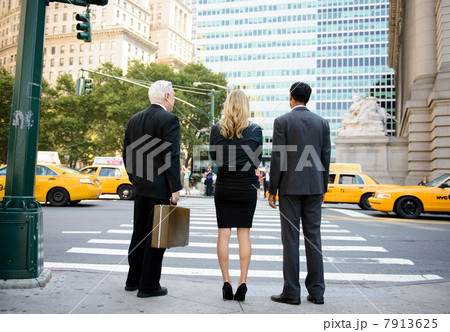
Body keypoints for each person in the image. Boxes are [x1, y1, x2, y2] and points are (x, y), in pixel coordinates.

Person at [268, 82, 331, 305]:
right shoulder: (322, 123)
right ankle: (317, 293)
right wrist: (323, 187)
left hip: (290, 188)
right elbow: (325, 158)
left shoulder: (282, 122)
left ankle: (291, 292)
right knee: (314, 238)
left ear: (291, 97)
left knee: (291, 240)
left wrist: (272, 189)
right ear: (308, 98)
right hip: (314, 188)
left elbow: (278, 158)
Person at [123, 80, 182, 298]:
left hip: (140, 186)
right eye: (173, 95)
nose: (174, 99)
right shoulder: (169, 119)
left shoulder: (134, 120)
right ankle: (149, 285)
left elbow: (126, 153)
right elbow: (172, 156)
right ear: (166, 96)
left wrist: (134, 178)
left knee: (138, 233)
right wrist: (175, 187)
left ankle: (133, 280)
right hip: (160, 188)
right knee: (157, 238)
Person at [209, 89, 263, 301]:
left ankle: (226, 282)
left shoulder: (215, 129)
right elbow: (256, 160)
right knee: (244, 234)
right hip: (246, 185)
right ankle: (242, 282)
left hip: (224, 184)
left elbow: (215, 158)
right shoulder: (256, 129)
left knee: (223, 234)